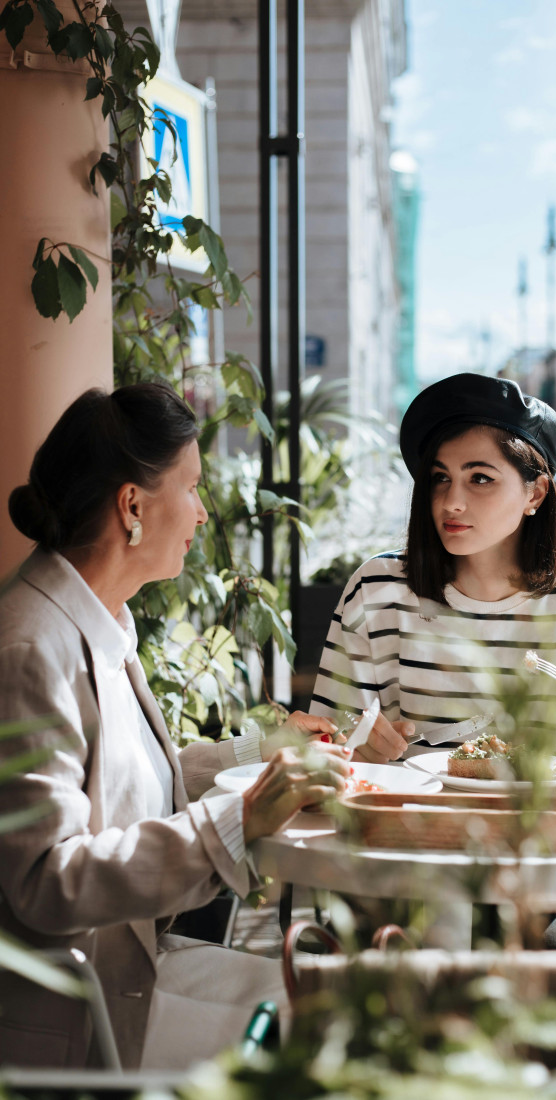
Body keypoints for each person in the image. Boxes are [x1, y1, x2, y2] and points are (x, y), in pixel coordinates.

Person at [0, 381, 351, 1071]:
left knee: (325, 996)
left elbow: (122, 779)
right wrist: (239, 820)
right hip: (76, 1020)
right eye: (191, 487)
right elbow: (46, 880)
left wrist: (260, 751)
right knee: (322, 1023)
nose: (202, 511)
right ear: (132, 505)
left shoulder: (96, 617)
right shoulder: (30, 649)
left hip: (126, 968)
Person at [310, 373, 556, 948]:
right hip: (410, 850)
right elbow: (325, 743)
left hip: (546, 861)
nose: (451, 502)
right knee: (409, 975)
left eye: (480, 479)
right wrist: (357, 747)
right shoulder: (379, 588)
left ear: (535, 493)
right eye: (439, 479)